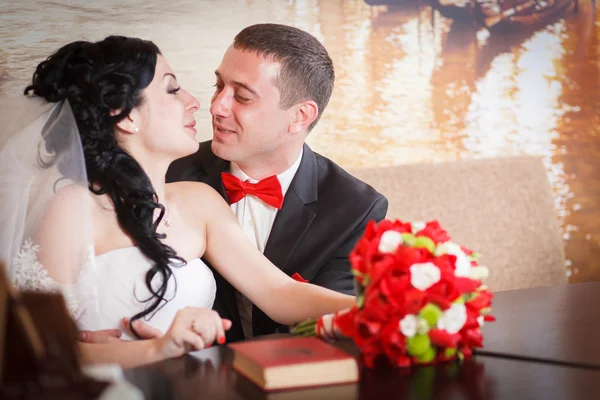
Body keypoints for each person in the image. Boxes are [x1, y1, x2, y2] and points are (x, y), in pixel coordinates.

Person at [0, 35, 355, 369]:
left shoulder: (201, 201)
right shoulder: (73, 207)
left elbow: (280, 292)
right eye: (172, 90)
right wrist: (155, 349)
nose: (199, 103)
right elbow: (34, 350)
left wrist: (392, 310)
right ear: (126, 115)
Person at [165, 24, 388, 342]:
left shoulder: (355, 209)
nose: (217, 107)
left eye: (242, 96)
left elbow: (326, 327)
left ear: (300, 116)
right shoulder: (170, 173)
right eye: (218, 86)